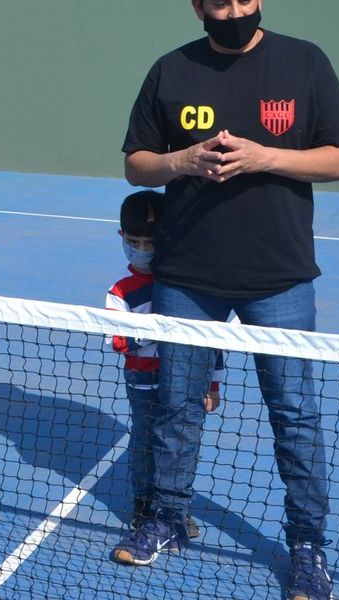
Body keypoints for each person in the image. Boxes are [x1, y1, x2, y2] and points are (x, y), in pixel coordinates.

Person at [112, 0, 339, 600]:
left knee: (295, 412)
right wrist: (183, 161)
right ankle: (165, 517)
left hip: (279, 276)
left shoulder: (304, 62)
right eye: (221, 4)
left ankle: (307, 544)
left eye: (245, 0)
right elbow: (137, 163)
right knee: (175, 404)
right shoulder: (170, 71)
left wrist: (263, 157)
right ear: (199, 7)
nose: (235, 12)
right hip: (187, 274)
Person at [105, 189, 222, 541]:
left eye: (150, 242)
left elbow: (211, 341)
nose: (142, 249)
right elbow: (118, 340)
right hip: (141, 381)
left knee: (180, 441)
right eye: (135, 241)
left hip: (187, 379)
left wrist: (212, 385)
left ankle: (174, 509)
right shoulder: (121, 291)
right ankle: (144, 506)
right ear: (121, 236)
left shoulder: (188, 287)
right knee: (145, 439)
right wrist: (158, 334)